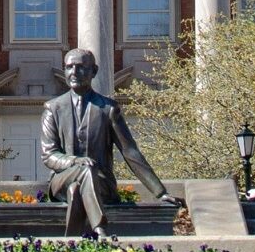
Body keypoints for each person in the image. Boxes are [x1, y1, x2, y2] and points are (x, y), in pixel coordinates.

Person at [39, 47, 182, 237]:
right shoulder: (53, 108)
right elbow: (49, 155)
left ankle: (71, 247)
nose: (74, 73)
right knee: (79, 176)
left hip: (101, 183)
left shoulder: (108, 109)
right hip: (62, 181)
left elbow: (130, 152)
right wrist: (74, 161)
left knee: (76, 191)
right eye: (69, 67)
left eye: (81, 67)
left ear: (94, 71)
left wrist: (160, 192)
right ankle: (100, 229)